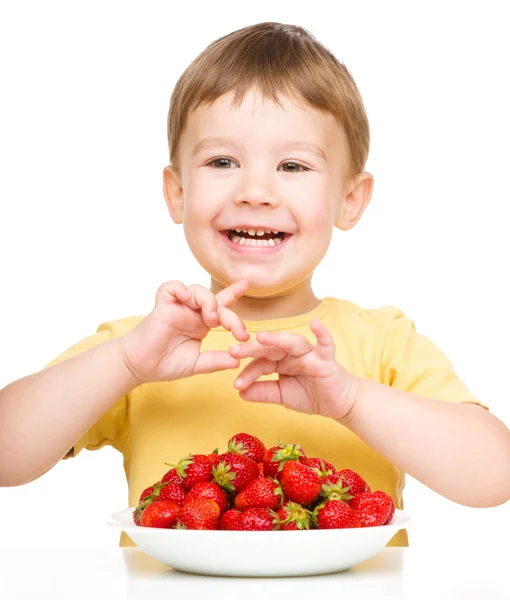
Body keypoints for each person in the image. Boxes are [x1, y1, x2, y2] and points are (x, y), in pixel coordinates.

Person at [0, 22, 509, 548]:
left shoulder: (381, 341)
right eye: (222, 161)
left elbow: (495, 475)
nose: (257, 191)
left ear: (351, 200)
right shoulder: (141, 345)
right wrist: (126, 363)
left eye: (293, 165)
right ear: (177, 193)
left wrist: (353, 399)